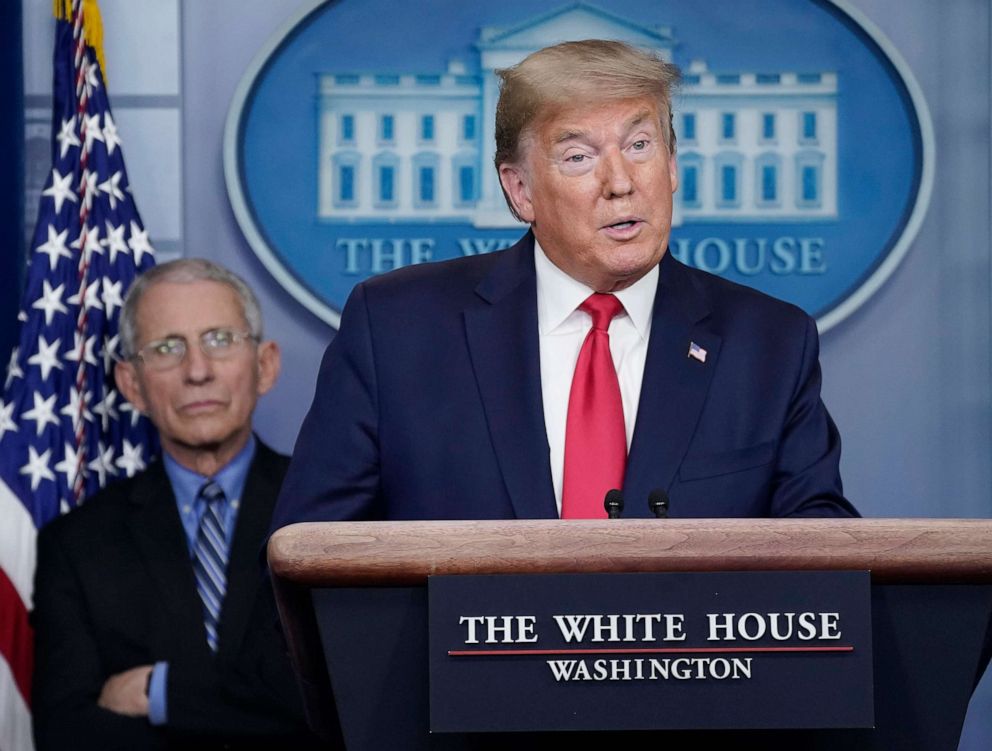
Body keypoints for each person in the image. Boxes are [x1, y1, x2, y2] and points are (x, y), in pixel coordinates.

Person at [271, 39, 858, 529]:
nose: (621, 182)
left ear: (673, 164)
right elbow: (310, 555)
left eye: (639, 145)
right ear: (519, 190)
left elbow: (825, 561)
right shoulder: (397, 328)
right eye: (579, 157)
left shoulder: (770, 343)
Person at [32, 259, 323, 750]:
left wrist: (157, 691)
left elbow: (325, 701)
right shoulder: (76, 544)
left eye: (219, 340)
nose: (197, 371)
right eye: (167, 348)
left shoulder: (325, 516)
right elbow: (67, 732)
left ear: (265, 365)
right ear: (131, 385)